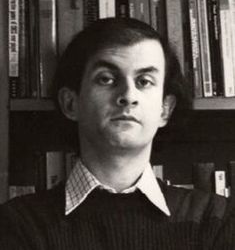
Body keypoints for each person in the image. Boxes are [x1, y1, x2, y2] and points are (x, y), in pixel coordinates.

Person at [0, 17, 235, 250]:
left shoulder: (217, 221)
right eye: (106, 79)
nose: (128, 95)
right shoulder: (18, 224)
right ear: (71, 103)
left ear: (165, 110)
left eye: (144, 81)